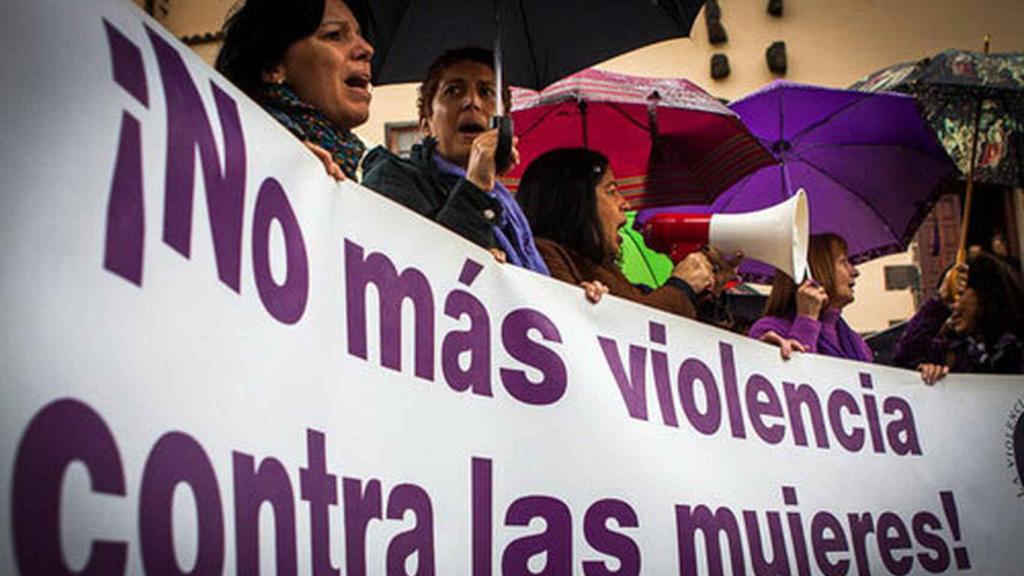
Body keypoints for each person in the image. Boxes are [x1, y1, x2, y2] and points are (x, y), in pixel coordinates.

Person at [362, 47, 548, 274]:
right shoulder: (390, 180)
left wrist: (577, 297)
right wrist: (475, 189)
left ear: (505, 123)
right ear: (425, 124)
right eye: (453, 91)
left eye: (487, 92)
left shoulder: (506, 208)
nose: (472, 102)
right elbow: (419, 278)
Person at [516, 147, 740, 317]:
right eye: (611, 191)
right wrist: (681, 287)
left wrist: (707, 294)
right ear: (575, 201)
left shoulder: (608, 271)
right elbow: (634, 325)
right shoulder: (544, 256)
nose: (625, 204)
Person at [216, 0, 373, 180]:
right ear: (272, 67)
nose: (367, 49)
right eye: (335, 35)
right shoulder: (237, 151)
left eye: (360, 35)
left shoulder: (349, 165)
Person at [892, 253, 1024, 384]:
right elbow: (904, 360)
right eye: (947, 301)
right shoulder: (948, 352)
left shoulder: (1016, 349)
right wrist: (931, 375)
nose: (952, 308)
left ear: (985, 296)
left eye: (958, 295)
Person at [748, 233, 873, 361]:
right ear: (818, 270)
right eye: (843, 262)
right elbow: (798, 377)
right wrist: (807, 319)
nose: (855, 272)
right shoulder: (768, 331)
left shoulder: (858, 344)